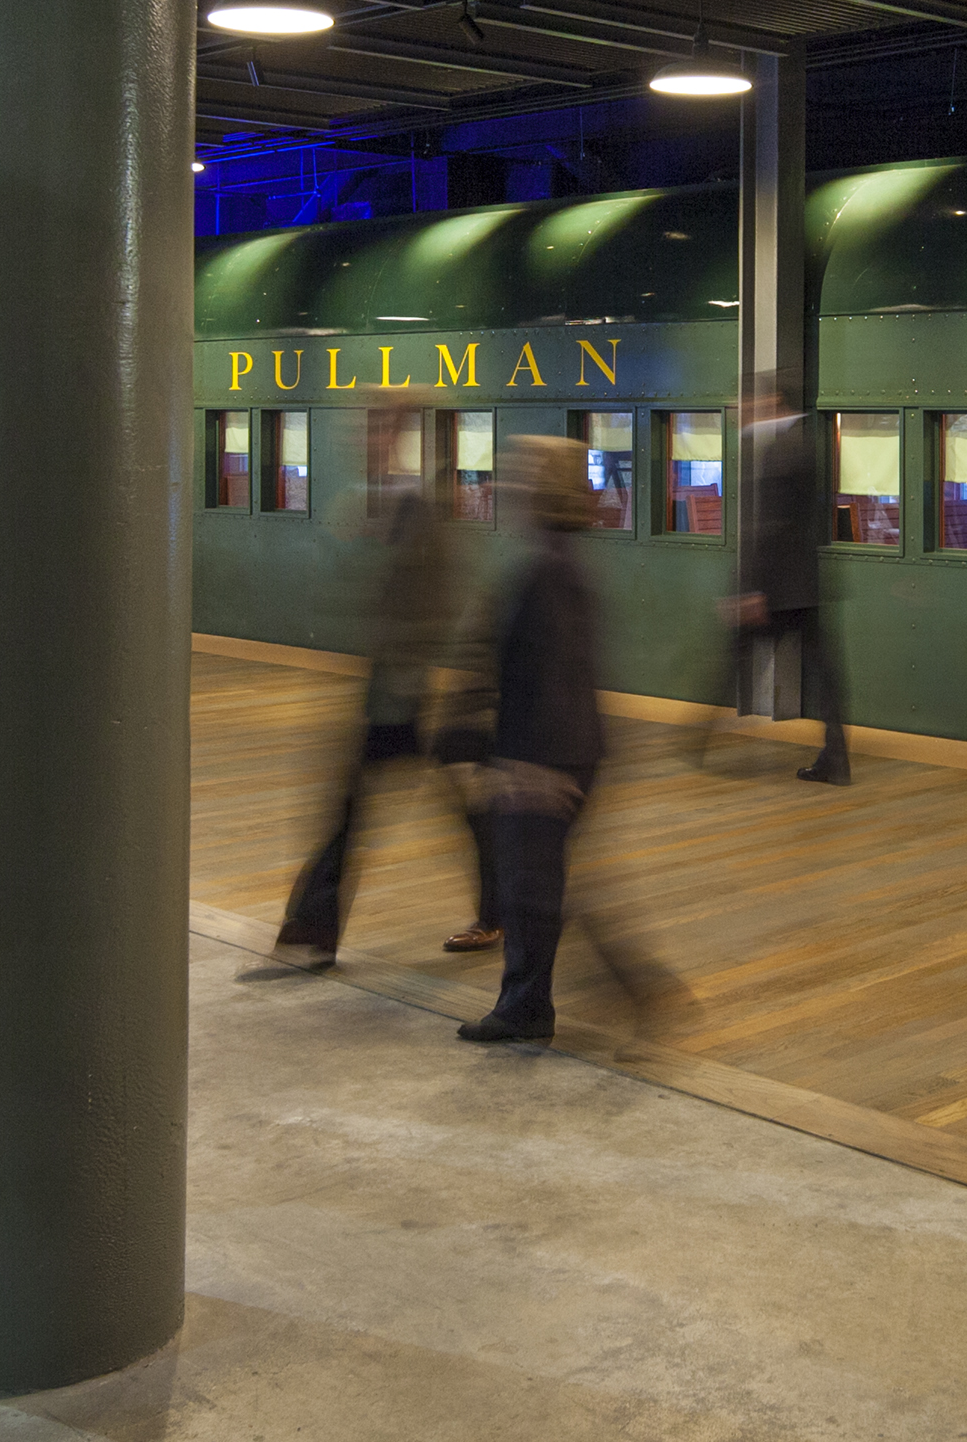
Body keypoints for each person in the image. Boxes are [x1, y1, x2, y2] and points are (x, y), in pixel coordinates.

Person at [459, 436, 683, 1045]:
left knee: (534, 886)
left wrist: (534, 765)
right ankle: (555, 1000)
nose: (505, 484)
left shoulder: (547, 569)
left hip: (549, 755)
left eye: (518, 473)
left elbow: (554, 671)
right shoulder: (554, 560)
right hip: (560, 750)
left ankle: (539, 1006)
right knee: (543, 884)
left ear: (539, 488)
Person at [277, 446, 500, 965]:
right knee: (419, 809)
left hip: (411, 695)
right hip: (399, 692)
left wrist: (414, 668)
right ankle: (316, 922)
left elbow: (435, 609)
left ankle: (315, 923)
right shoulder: (389, 509)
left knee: (358, 809)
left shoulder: (420, 517)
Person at [711, 389, 850, 785]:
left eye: (749, 405)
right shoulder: (808, 444)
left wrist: (751, 588)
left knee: (733, 655)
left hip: (779, 589)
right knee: (825, 675)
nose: (743, 413)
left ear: (771, 401)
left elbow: (771, 526)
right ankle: (836, 759)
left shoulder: (780, 452)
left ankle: (697, 741)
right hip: (805, 583)